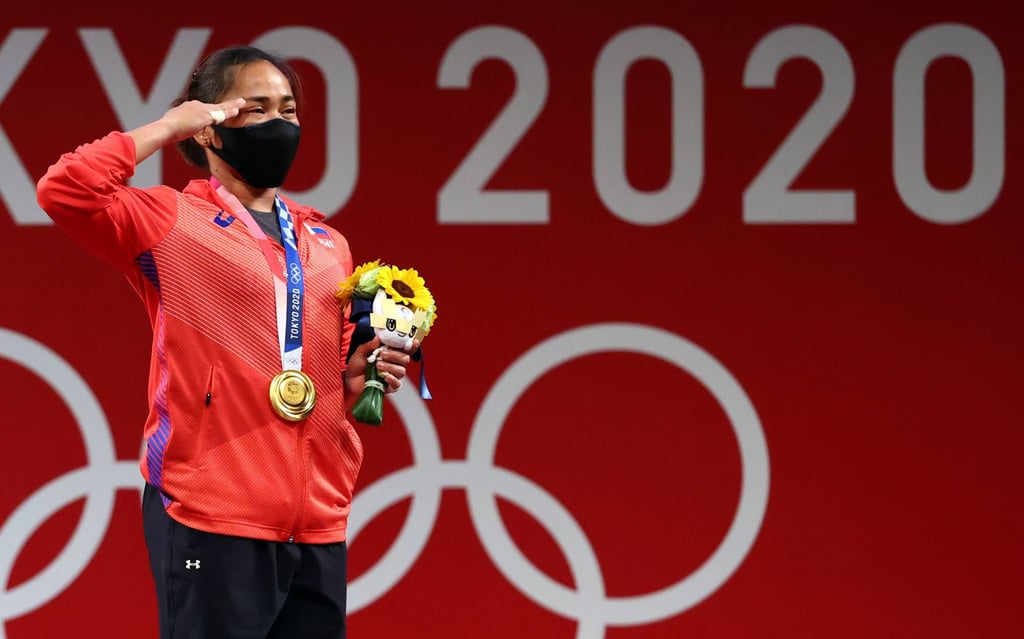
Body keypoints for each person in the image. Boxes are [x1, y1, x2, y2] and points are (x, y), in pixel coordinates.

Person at [35, 45, 412, 639]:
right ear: (210, 125)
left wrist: (357, 377)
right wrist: (166, 127)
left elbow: (327, 368)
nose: (280, 123)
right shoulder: (167, 222)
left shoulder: (327, 244)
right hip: (209, 515)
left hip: (317, 523)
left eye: (288, 109)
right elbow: (66, 190)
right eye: (256, 108)